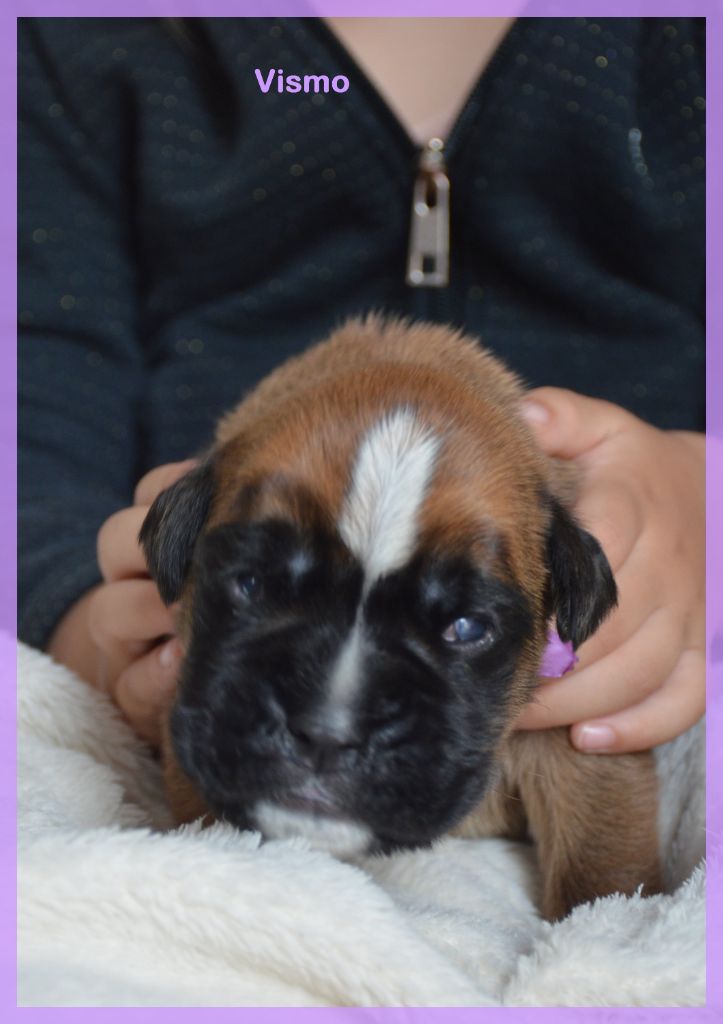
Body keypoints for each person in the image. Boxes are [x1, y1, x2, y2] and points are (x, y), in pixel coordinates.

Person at [19, 16, 705, 753]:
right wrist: (84, 621)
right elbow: (31, 415)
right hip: (188, 710)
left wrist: (701, 492)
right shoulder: (75, 40)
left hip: (666, 683)